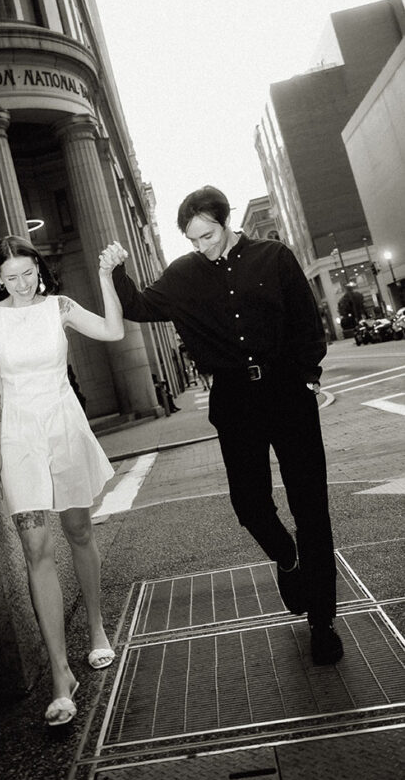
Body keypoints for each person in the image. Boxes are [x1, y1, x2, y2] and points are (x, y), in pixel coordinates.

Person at [105, 185, 343, 666]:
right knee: (249, 504)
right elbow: (139, 307)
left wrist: (308, 376)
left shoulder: (274, 257)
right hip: (234, 400)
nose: (203, 247)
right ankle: (288, 557)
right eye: (194, 240)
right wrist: (114, 271)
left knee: (311, 507)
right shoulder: (183, 274)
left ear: (226, 222)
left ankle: (322, 622)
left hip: (287, 391)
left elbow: (306, 321)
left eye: (208, 236)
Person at [0, 235, 125, 727]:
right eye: (11, 277)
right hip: (18, 435)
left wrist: (104, 277)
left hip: (63, 425)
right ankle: (61, 676)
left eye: (28, 273)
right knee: (35, 547)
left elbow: (113, 330)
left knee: (78, 530)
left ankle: (96, 627)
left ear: (38, 269)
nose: (21, 284)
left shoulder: (59, 307)